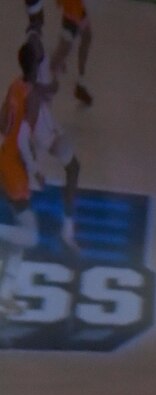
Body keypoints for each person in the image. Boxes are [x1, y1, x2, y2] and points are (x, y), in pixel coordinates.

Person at [20, 1, 79, 251]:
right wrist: (52, 85)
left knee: (69, 167)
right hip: (43, 127)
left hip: (44, 120)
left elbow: (36, 25)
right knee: (73, 168)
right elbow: (36, 85)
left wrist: (54, 69)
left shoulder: (33, 43)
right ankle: (67, 229)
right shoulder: (33, 47)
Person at [0, 41, 35, 316]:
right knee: (29, 234)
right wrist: (33, 174)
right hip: (13, 168)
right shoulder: (31, 96)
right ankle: (4, 293)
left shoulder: (14, 85)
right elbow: (25, 141)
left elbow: (3, 123)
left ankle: (6, 291)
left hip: (2, 155)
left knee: (20, 236)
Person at [44, 0, 82, 104]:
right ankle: (53, 68)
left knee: (66, 43)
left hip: (70, 19)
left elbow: (58, 4)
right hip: (72, 20)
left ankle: (57, 64)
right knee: (65, 45)